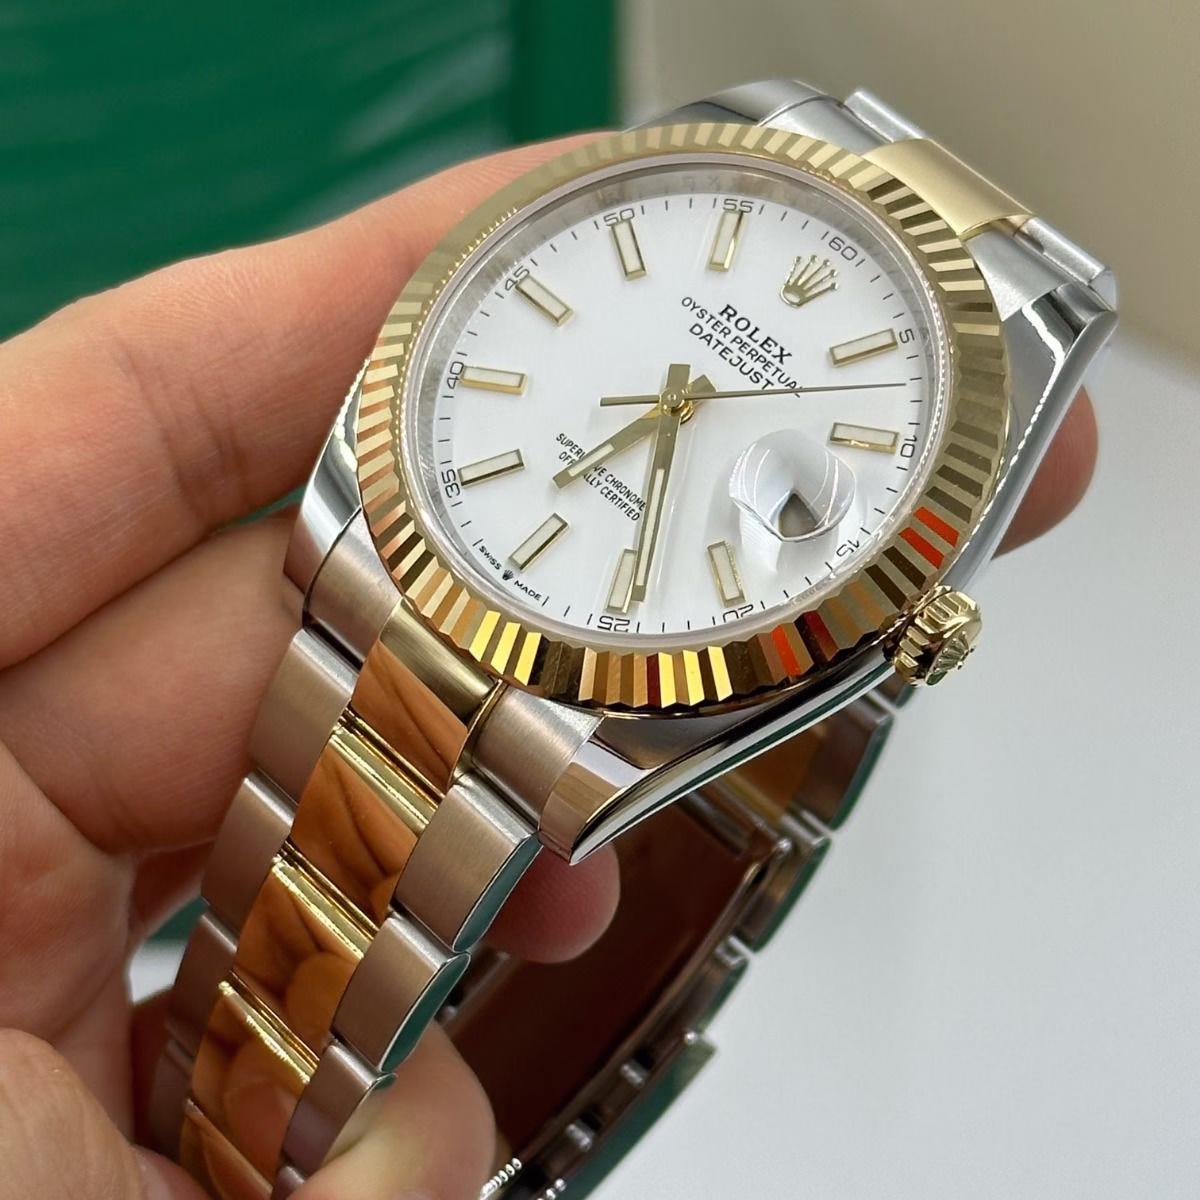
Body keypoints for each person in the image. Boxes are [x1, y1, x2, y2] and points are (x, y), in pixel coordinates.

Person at [0, 136, 1097, 1200]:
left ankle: (223, 1131)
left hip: (569, 670)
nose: (685, 401)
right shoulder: (756, 139)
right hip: (412, 553)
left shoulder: (1010, 350)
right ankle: (212, 1122)